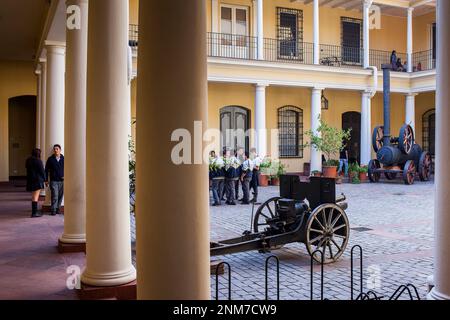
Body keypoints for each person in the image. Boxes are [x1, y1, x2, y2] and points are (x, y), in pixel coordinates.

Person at [45, 144, 64, 216]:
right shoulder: (50, 159)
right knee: (55, 195)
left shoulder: (64, 158)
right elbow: (46, 170)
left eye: (57, 149)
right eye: (54, 149)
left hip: (62, 181)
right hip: (53, 181)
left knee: (60, 195)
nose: (55, 150)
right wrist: (46, 180)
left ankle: (58, 208)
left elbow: (68, 169)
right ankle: (53, 209)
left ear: (60, 150)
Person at [26, 148, 45, 218]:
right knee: (36, 197)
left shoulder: (28, 160)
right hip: (37, 180)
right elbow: (42, 171)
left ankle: (34, 212)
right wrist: (45, 179)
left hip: (31, 180)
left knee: (33, 196)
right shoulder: (38, 161)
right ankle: (34, 213)